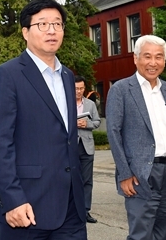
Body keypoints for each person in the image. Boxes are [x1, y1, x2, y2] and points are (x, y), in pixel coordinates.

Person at [0, 0, 86, 239]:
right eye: (42, 24)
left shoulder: (67, 76)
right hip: (27, 205)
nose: (52, 30)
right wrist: (12, 200)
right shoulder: (8, 75)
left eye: (57, 24)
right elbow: (0, 142)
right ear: (25, 32)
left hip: (71, 206)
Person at [106, 34, 166, 240]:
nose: (153, 63)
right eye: (147, 56)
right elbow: (113, 133)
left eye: (159, 57)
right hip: (141, 173)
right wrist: (124, 173)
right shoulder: (121, 90)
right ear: (135, 58)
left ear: (164, 60)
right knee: (141, 233)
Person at [74, 75, 101, 223]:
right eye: (76, 89)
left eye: (81, 88)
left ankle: (85, 211)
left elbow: (97, 122)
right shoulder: (64, 103)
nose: (79, 91)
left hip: (86, 147)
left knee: (87, 180)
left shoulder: (90, 104)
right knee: (70, 179)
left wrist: (87, 124)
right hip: (70, 146)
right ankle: (71, 211)